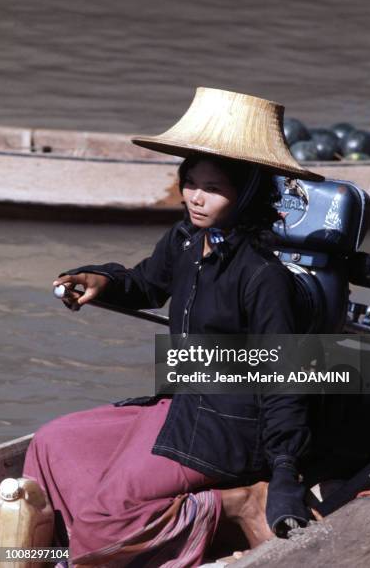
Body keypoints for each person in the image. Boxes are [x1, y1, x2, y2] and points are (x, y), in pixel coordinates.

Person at [23, 88, 324, 567]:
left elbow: (284, 378)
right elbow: (145, 283)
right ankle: (49, 553)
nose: (195, 198)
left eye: (214, 188)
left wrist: (286, 468)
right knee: (51, 444)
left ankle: (239, 501)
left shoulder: (263, 276)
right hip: (181, 403)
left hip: (230, 428)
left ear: (246, 194)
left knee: (105, 517)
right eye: (191, 182)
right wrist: (103, 279)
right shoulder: (186, 240)